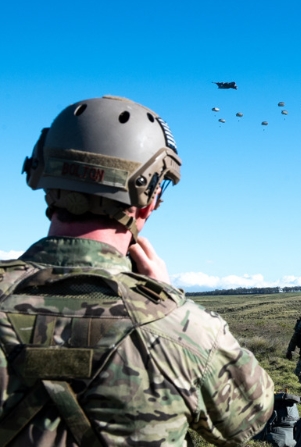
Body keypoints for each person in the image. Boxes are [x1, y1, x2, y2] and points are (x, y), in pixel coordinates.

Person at [2, 96, 274, 446]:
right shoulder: (185, 328)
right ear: (147, 201)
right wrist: (169, 301)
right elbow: (251, 414)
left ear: (43, 176)